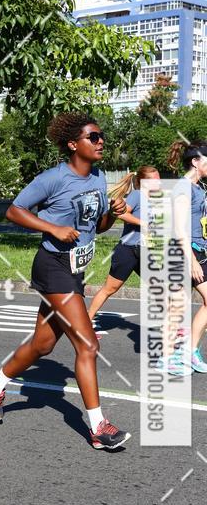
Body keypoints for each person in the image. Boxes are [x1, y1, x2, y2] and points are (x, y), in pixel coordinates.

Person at [0, 112, 131, 450]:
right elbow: (14, 210)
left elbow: (97, 226)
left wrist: (112, 213)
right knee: (88, 345)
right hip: (53, 266)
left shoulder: (98, 178)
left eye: (101, 135)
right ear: (74, 144)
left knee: (43, 345)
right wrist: (52, 228)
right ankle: (98, 428)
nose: (101, 141)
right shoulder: (53, 178)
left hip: (75, 269)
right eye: (93, 137)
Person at [88, 166, 161, 323]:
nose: (159, 182)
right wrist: (143, 223)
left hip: (145, 252)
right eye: (155, 180)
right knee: (110, 289)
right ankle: (85, 323)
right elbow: (121, 213)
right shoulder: (137, 195)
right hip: (128, 251)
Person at [166, 140, 207, 374]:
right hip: (185, 252)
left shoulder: (199, 188)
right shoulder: (183, 187)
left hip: (199, 250)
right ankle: (167, 357)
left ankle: (189, 352)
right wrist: (191, 259)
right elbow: (179, 228)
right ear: (195, 161)